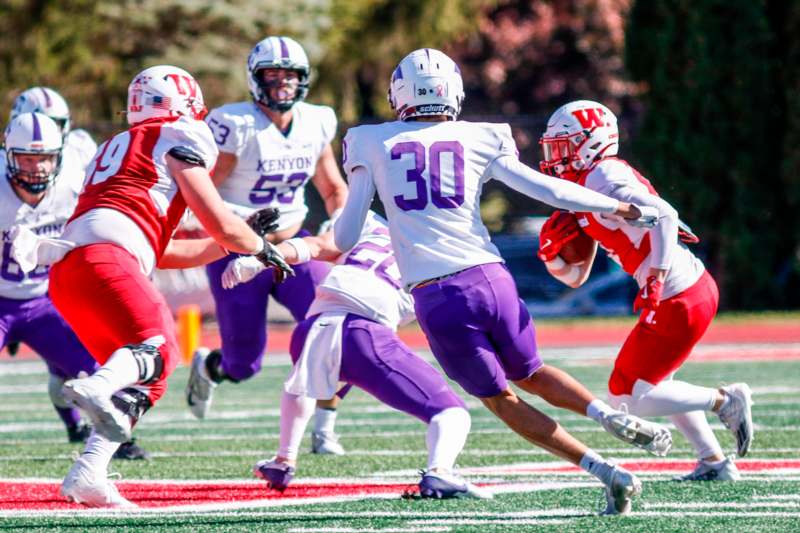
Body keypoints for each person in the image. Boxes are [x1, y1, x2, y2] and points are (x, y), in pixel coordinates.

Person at [332, 48, 673, 515]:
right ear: (454, 92)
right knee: (531, 371)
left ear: (398, 93)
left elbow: (346, 235)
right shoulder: (482, 135)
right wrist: (618, 208)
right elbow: (544, 188)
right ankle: (606, 413)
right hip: (491, 278)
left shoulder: (369, 140)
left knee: (501, 399)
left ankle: (605, 471)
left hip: (438, 294)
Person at [13, 65, 292, 508]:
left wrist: (233, 239)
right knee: (162, 347)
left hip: (72, 272)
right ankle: (96, 385)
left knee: (152, 378)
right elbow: (217, 218)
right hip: (106, 259)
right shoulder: (179, 138)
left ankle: (89, 471)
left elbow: (159, 248)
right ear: (181, 104)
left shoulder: (118, 147)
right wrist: (257, 245)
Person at [537, 99, 753, 481]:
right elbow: (577, 279)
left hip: (678, 292)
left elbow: (665, 214)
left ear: (591, 142)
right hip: (684, 290)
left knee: (624, 397)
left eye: (565, 146)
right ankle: (715, 463)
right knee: (653, 383)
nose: (557, 157)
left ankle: (724, 400)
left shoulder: (603, 175)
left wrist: (658, 273)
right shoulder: (584, 185)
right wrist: (553, 258)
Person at [223, 212, 488, 498]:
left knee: (305, 377)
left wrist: (258, 259)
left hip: (312, 324)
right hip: (365, 334)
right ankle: (440, 472)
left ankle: (283, 460)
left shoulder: (368, 223)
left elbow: (315, 246)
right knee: (451, 413)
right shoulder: (444, 247)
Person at [186, 36, 349, 455]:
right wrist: (236, 224)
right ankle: (210, 365)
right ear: (255, 79)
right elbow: (200, 189)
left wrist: (340, 224)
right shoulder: (236, 125)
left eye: (290, 75)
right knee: (244, 363)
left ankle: (325, 427)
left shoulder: (315, 122)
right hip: (238, 251)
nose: (282, 83)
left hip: (293, 246)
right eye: (272, 75)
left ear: (304, 79)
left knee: (339, 326)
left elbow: (332, 188)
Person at [0, 111, 147, 460]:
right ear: (9, 156)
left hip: (44, 300)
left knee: (97, 373)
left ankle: (115, 442)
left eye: (45, 158)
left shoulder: (73, 184)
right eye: (28, 158)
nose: (37, 168)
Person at [10, 86, 98, 171]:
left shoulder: (81, 147)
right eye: (43, 125)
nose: (51, 131)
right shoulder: (5, 162)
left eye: (57, 124)